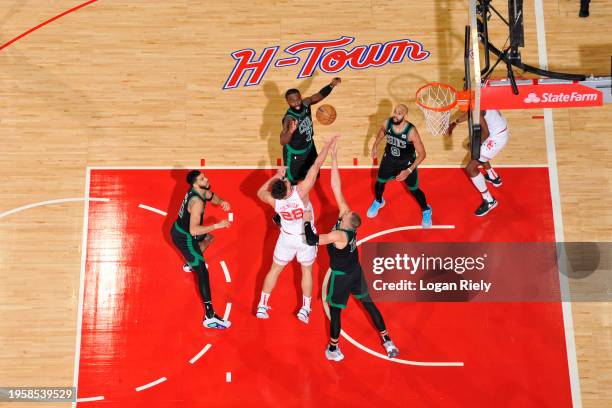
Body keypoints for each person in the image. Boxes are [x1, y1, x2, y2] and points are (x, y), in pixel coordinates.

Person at [304, 140, 399, 361]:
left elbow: (312, 240)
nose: (343, 211)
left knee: (335, 312)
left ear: (347, 223)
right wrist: (334, 160)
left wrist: (306, 221)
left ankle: (333, 348)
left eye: (344, 215)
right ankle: (387, 340)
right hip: (355, 271)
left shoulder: (339, 235)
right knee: (369, 304)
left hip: (341, 277)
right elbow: (337, 188)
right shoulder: (347, 221)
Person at [256, 135, 339, 324]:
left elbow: (260, 192)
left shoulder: (274, 200)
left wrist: (277, 175)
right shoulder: (300, 192)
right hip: (305, 239)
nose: (288, 181)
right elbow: (316, 165)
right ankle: (305, 309)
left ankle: (262, 305)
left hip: (286, 239)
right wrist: (326, 146)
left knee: (274, 270)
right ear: (286, 190)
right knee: (306, 272)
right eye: (286, 182)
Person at [170, 170, 232, 329]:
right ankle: (209, 316)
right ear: (195, 184)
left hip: (182, 230)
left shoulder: (201, 190)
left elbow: (212, 196)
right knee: (203, 272)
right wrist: (217, 225)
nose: (207, 179)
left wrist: (223, 202)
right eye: (203, 179)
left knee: (209, 238)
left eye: (205, 177)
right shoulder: (196, 202)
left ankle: (189, 264)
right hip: (185, 237)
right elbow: (194, 231)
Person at [367, 104, 432, 228]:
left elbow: (422, 154)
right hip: (389, 160)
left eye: (399, 113)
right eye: (395, 112)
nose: (396, 116)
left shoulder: (411, 132)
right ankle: (379, 201)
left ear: (405, 116)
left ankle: (426, 210)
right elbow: (382, 131)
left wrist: (408, 170)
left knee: (414, 190)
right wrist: (376, 145)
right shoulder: (388, 123)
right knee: (379, 183)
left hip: (406, 164)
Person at [280, 77, 341, 184]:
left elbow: (319, 95)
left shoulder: (305, 103)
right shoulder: (289, 119)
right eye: (292, 101)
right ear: (287, 101)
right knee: (291, 181)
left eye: (298, 99)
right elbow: (282, 141)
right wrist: (290, 131)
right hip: (295, 154)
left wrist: (331, 85)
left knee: (313, 172)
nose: (297, 102)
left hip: (309, 147)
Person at [449, 109, 508, 216]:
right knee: (478, 151)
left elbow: (486, 133)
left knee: (471, 168)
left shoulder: (479, 109)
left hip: (496, 137)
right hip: (499, 128)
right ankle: (494, 177)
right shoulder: (480, 98)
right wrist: (455, 123)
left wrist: (475, 145)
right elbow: (471, 113)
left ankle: (489, 201)